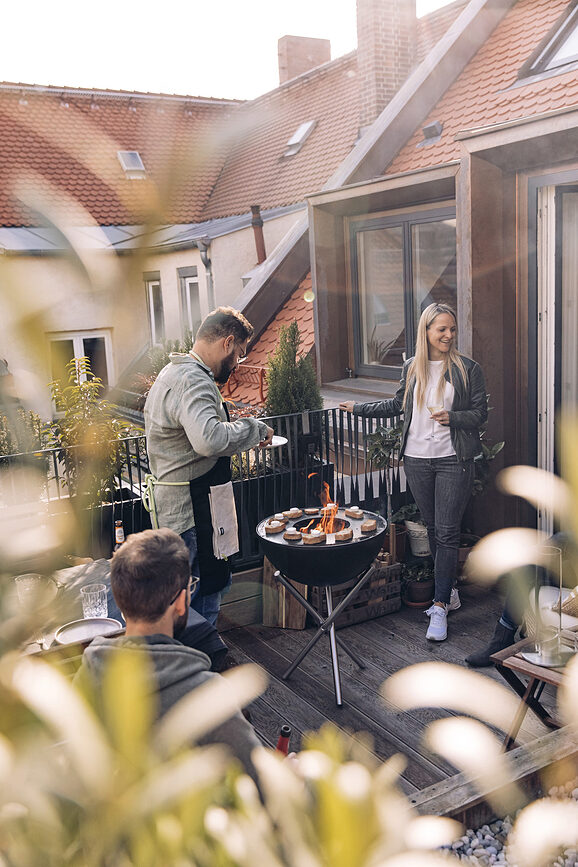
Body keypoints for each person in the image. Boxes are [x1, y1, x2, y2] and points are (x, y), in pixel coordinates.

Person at [340, 303, 487, 642]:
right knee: (434, 529)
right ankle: (447, 590)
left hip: (453, 459)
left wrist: (454, 418)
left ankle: (438, 607)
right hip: (417, 459)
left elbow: (480, 413)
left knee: (447, 532)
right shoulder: (411, 367)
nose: (449, 335)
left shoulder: (467, 369)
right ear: (427, 332)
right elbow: (396, 405)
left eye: (452, 329)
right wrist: (357, 408)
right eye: (442, 330)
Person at [75, 528, 262, 782]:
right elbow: (261, 784)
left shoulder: (86, 678)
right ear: (181, 603)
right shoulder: (208, 697)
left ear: (120, 603)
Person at [144, 307, 274, 627]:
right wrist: (254, 429)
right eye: (240, 355)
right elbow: (210, 440)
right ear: (228, 343)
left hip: (177, 508)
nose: (238, 364)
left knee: (182, 603)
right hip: (192, 513)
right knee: (198, 606)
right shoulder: (193, 380)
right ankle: (202, 669)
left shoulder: (173, 372)